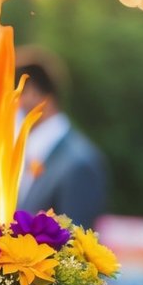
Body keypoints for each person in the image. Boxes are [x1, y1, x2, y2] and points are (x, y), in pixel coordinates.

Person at [11, 45, 109, 228]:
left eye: (15, 94)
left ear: (33, 93)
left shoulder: (79, 164)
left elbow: (76, 249)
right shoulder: (27, 155)